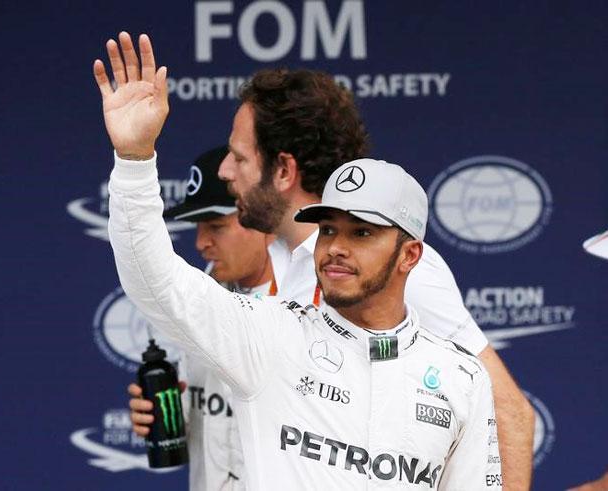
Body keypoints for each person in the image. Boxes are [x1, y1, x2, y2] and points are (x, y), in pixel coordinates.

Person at [94, 32, 532, 488]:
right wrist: (133, 158)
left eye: (239, 158)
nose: (224, 171)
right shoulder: (268, 276)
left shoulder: (405, 281)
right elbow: (160, 285)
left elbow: (510, 414)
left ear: (283, 170)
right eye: (327, 231)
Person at [127, 145, 274, 490]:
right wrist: (170, 414)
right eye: (197, 226)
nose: (201, 242)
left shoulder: (312, 305)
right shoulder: (201, 299)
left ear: (263, 217)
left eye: (216, 226)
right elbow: (217, 420)